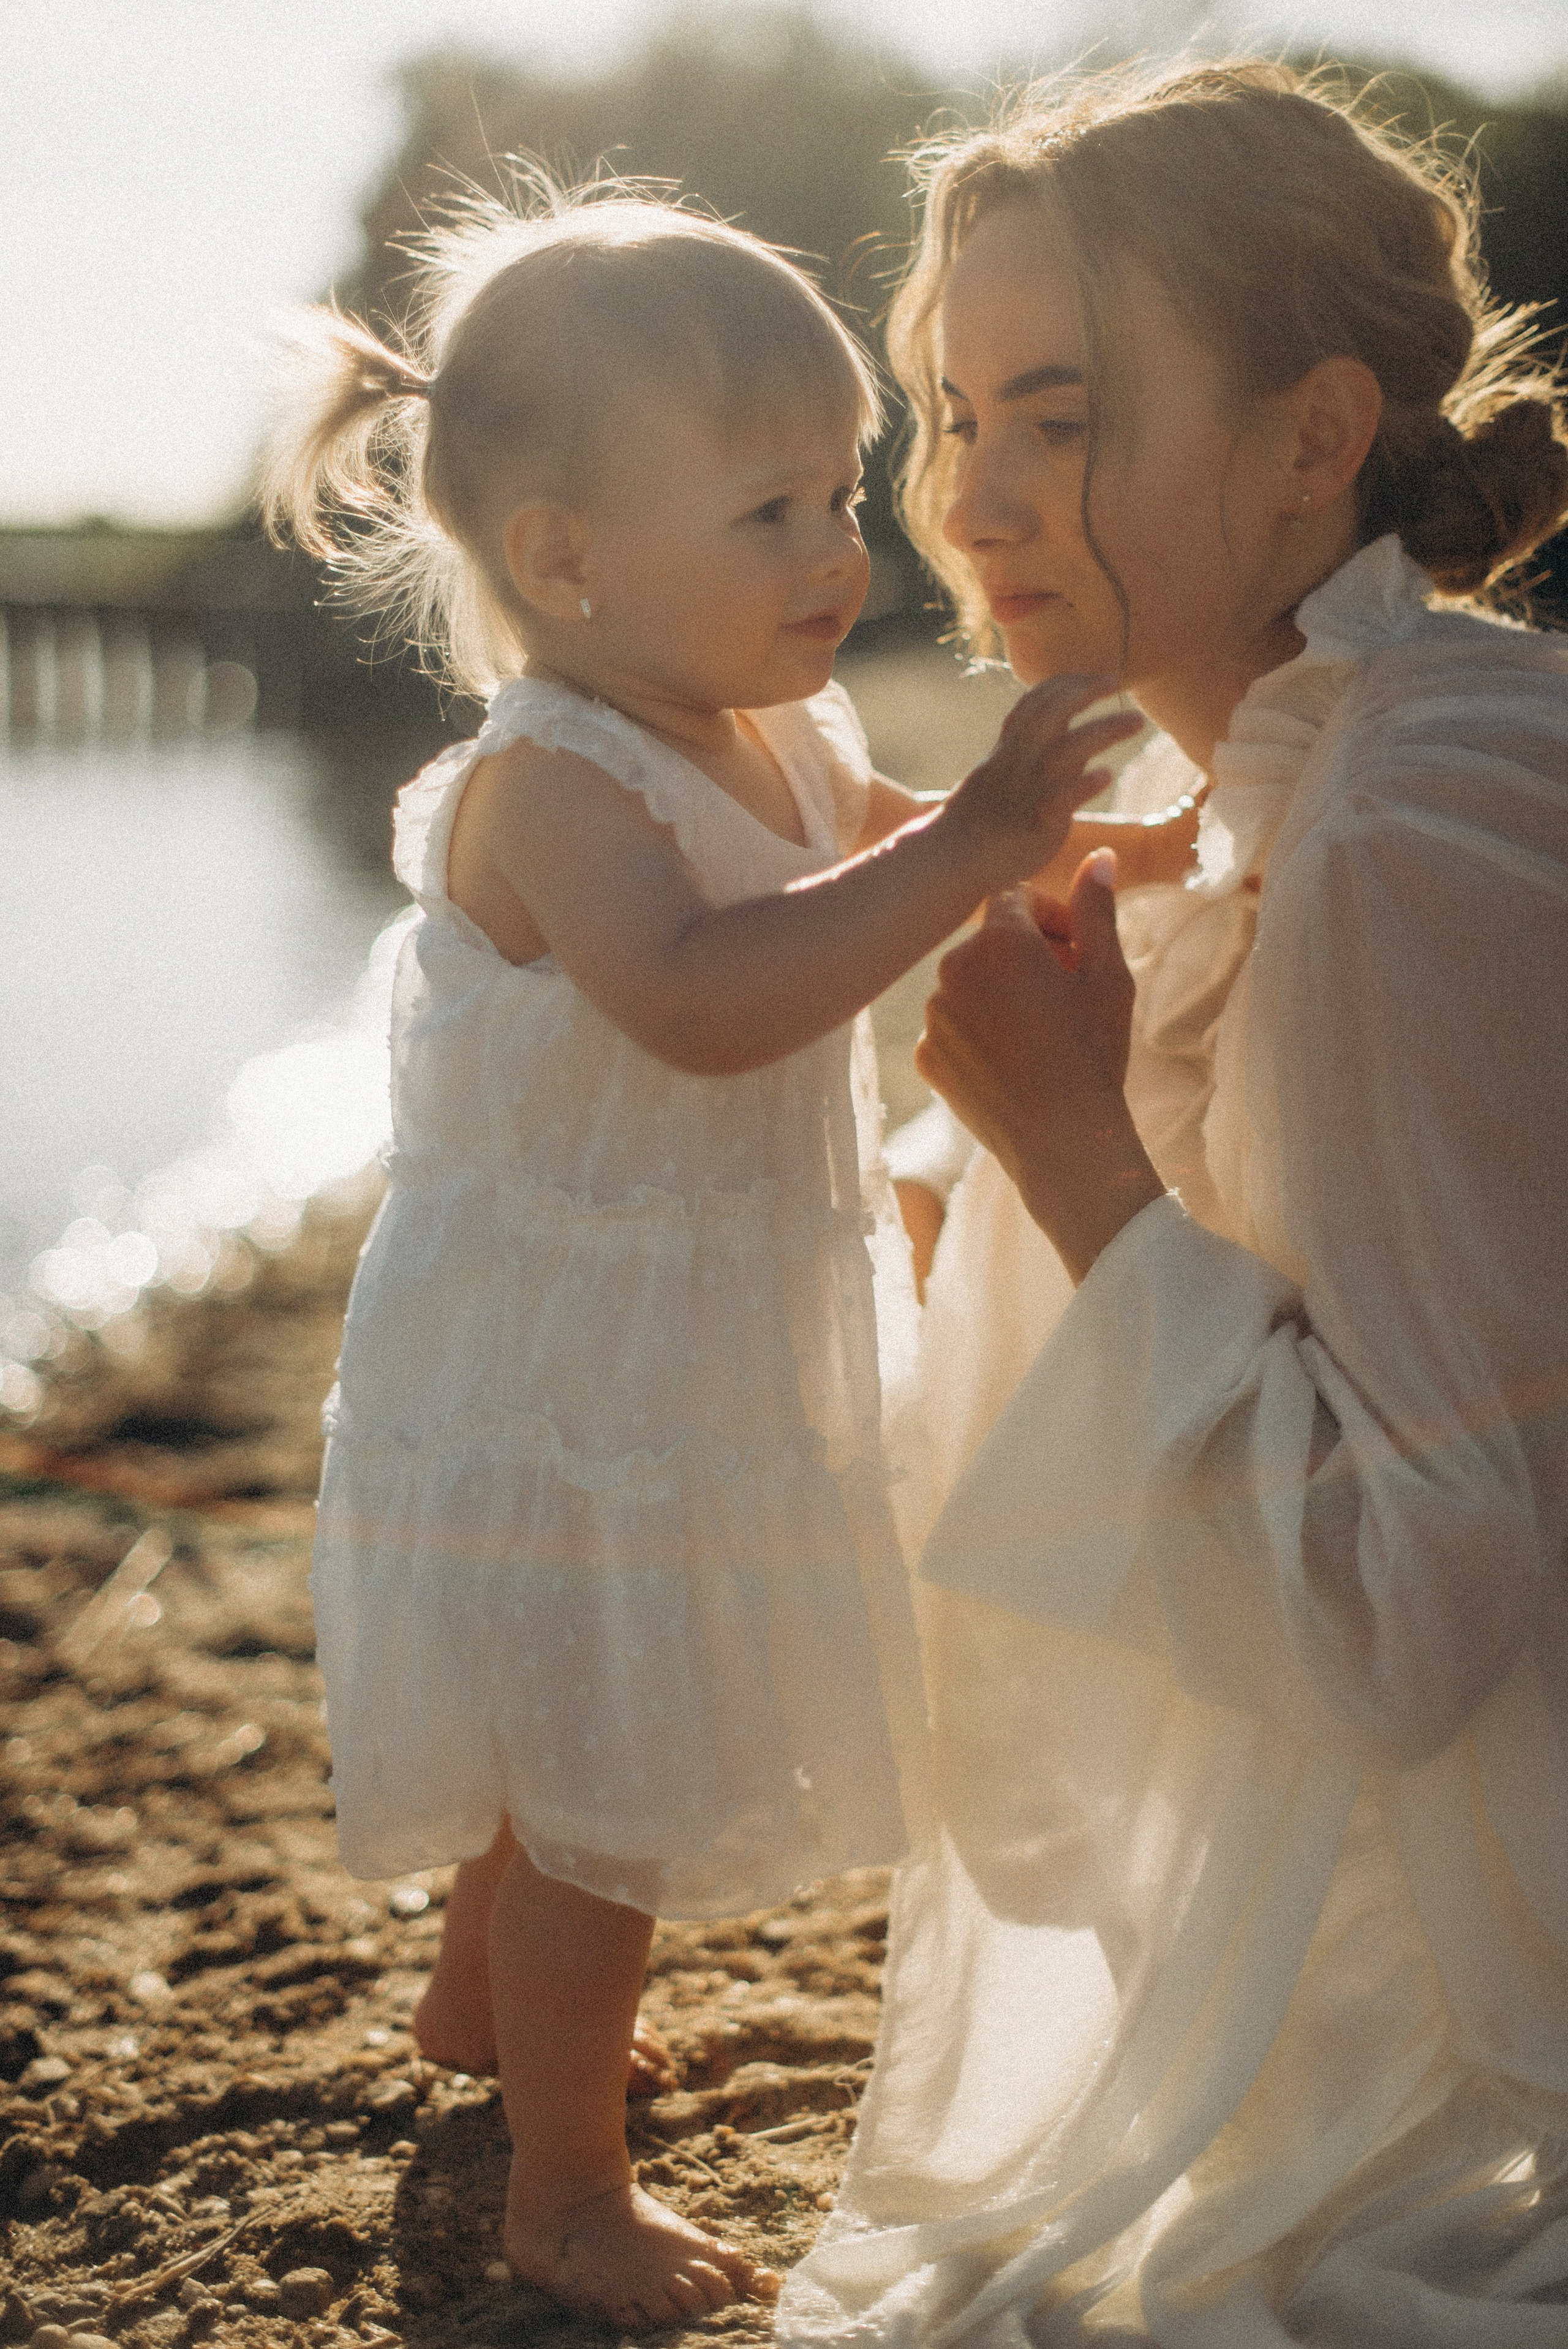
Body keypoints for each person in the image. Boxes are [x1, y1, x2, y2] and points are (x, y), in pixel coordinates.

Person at [260, 183, 1148, 2332]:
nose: (841, 555)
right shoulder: (545, 786)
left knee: (561, 1727)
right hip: (582, 1366)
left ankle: (482, 2011)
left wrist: (1098, 849)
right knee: (600, 1794)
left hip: (698, 1329)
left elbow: (871, 865)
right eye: (769, 512)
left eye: (840, 494)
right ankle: (565, 2189)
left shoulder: (790, 730)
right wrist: (971, 849)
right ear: (566, 559)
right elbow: (709, 993)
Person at [781, 61, 1568, 2348]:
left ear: (1320, 435)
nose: (980, 499)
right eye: (951, 417)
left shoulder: (1405, 833)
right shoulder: (1377, 754)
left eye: (1065, 414)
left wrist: (1084, 1161)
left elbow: (1408, 1615)